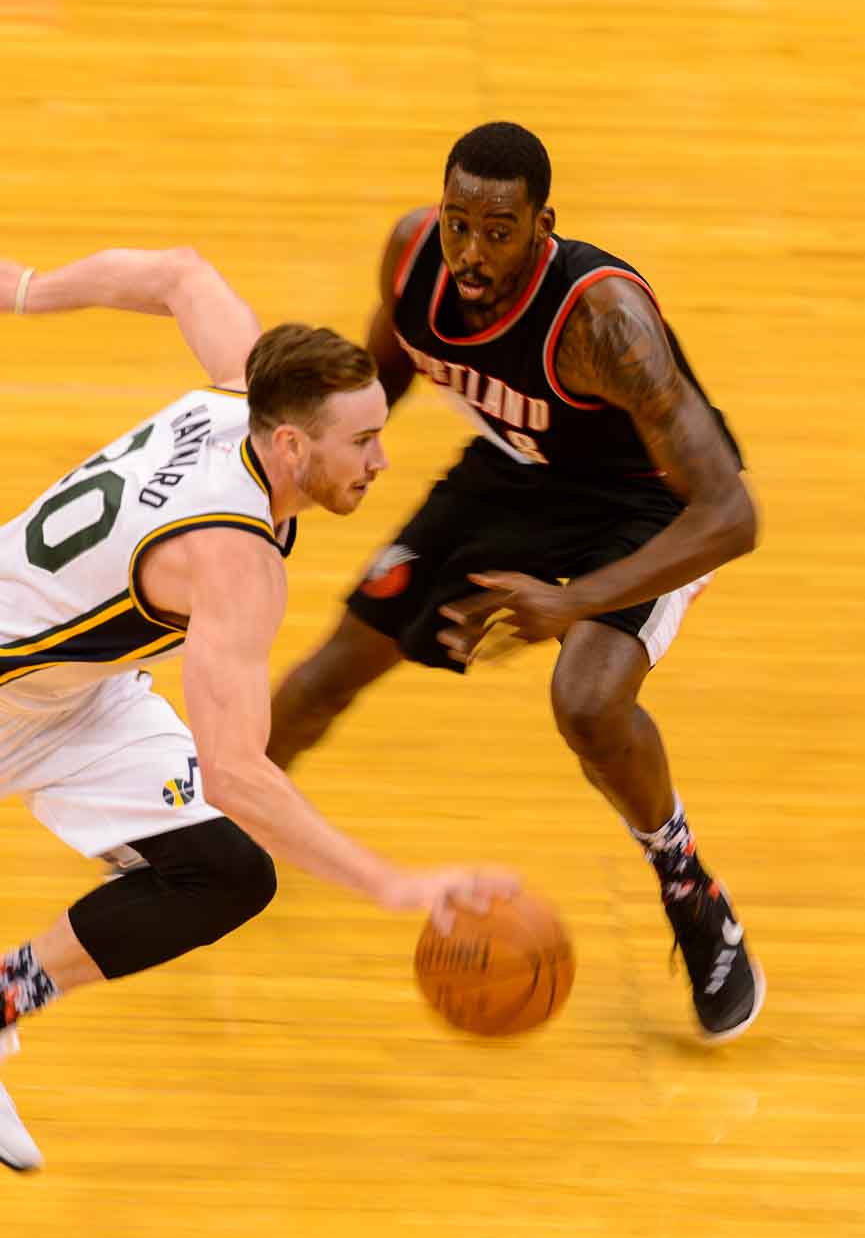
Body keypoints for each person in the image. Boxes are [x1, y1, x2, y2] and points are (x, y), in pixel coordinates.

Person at [0, 246, 518, 1172]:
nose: (381, 458)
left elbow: (181, 276)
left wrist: (30, 292)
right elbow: (237, 771)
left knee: (224, 873)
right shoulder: (236, 562)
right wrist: (388, 883)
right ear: (289, 445)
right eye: (360, 441)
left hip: (72, 693)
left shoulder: (242, 392)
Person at [266, 121, 766, 1046]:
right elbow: (381, 373)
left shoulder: (602, 325)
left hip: (646, 503)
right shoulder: (415, 256)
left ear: (543, 226)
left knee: (586, 701)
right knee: (330, 670)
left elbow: (729, 515)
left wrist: (570, 601)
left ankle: (689, 886)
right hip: (515, 476)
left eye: (498, 231)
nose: (471, 250)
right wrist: (289, 476)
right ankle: (216, 833)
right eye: (460, 222)